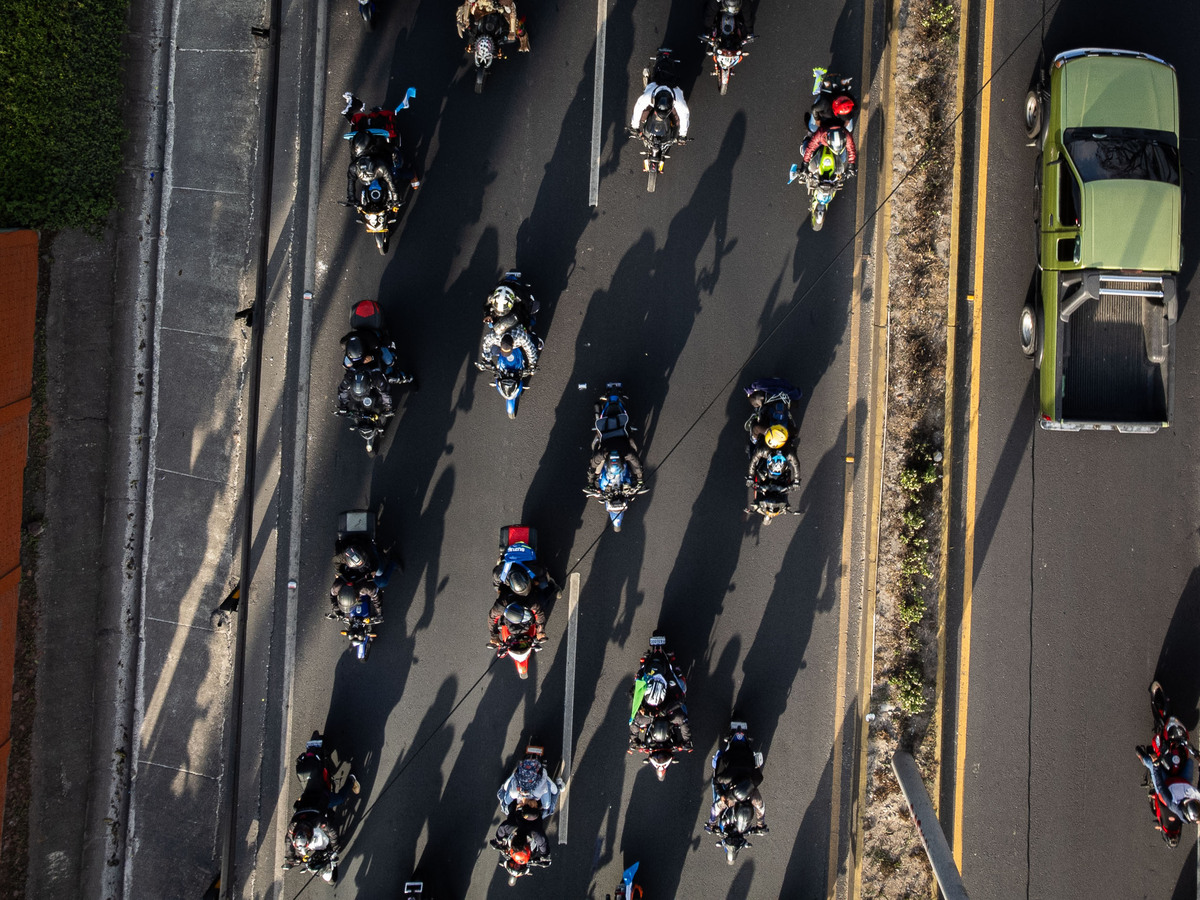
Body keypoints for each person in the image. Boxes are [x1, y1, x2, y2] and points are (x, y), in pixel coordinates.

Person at [341, 93, 422, 192]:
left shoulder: (377, 135)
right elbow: (351, 178)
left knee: (394, 171)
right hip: (368, 153)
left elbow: (391, 149)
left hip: (379, 153)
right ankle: (355, 104)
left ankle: (411, 174)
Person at [1138, 744, 1200, 825]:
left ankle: (1143, 758)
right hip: (1183, 781)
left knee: (1150, 762)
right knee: (1189, 762)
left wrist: (1156, 765)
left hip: (1166, 783)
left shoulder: (1172, 802)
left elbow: (1160, 785)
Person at [629, 672, 692, 751]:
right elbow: (634, 720)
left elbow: (680, 700)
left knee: (682, 718)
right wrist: (634, 740)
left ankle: (688, 740)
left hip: (667, 711)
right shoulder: (641, 689)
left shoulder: (671, 687)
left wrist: (687, 741)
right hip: (651, 715)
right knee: (636, 720)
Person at [456, 0, 530, 53]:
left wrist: (512, 31)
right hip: (482, 8)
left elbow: (512, 11)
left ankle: (523, 38)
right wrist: (465, 20)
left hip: (500, 8)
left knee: (516, 26)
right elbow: (467, 3)